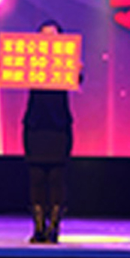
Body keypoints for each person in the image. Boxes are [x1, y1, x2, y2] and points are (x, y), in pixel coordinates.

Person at [23, 20, 79, 244]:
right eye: (44, 35)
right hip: (35, 126)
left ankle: (54, 227)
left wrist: (76, 70)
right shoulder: (28, 62)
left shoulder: (68, 62)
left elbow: (78, 80)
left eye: (53, 36)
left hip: (58, 127)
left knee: (57, 178)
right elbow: (12, 73)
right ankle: (38, 227)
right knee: (36, 177)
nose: (48, 40)